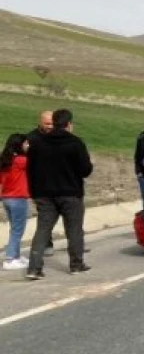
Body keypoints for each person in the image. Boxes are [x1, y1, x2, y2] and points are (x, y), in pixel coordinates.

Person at [25, 109, 93, 279]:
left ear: (53, 122)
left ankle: (34, 268)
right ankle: (76, 264)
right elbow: (85, 170)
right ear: (69, 124)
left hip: (44, 193)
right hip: (71, 193)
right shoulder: (76, 143)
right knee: (74, 230)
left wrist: (33, 192)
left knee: (43, 230)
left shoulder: (38, 143)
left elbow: (30, 170)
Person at [27, 110, 56, 257]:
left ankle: (77, 244)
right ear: (40, 122)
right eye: (47, 124)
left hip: (58, 183)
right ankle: (46, 243)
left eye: (52, 123)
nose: (50, 126)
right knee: (45, 216)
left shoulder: (59, 137)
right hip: (39, 185)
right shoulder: (31, 138)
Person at [1, 133, 31, 271]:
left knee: (15, 229)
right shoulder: (21, 161)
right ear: (20, 145)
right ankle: (10, 258)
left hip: (6, 198)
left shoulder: (5, 160)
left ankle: (16, 256)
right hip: (18, 198)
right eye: (26, 143)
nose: (28, 146)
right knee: (18, 230)